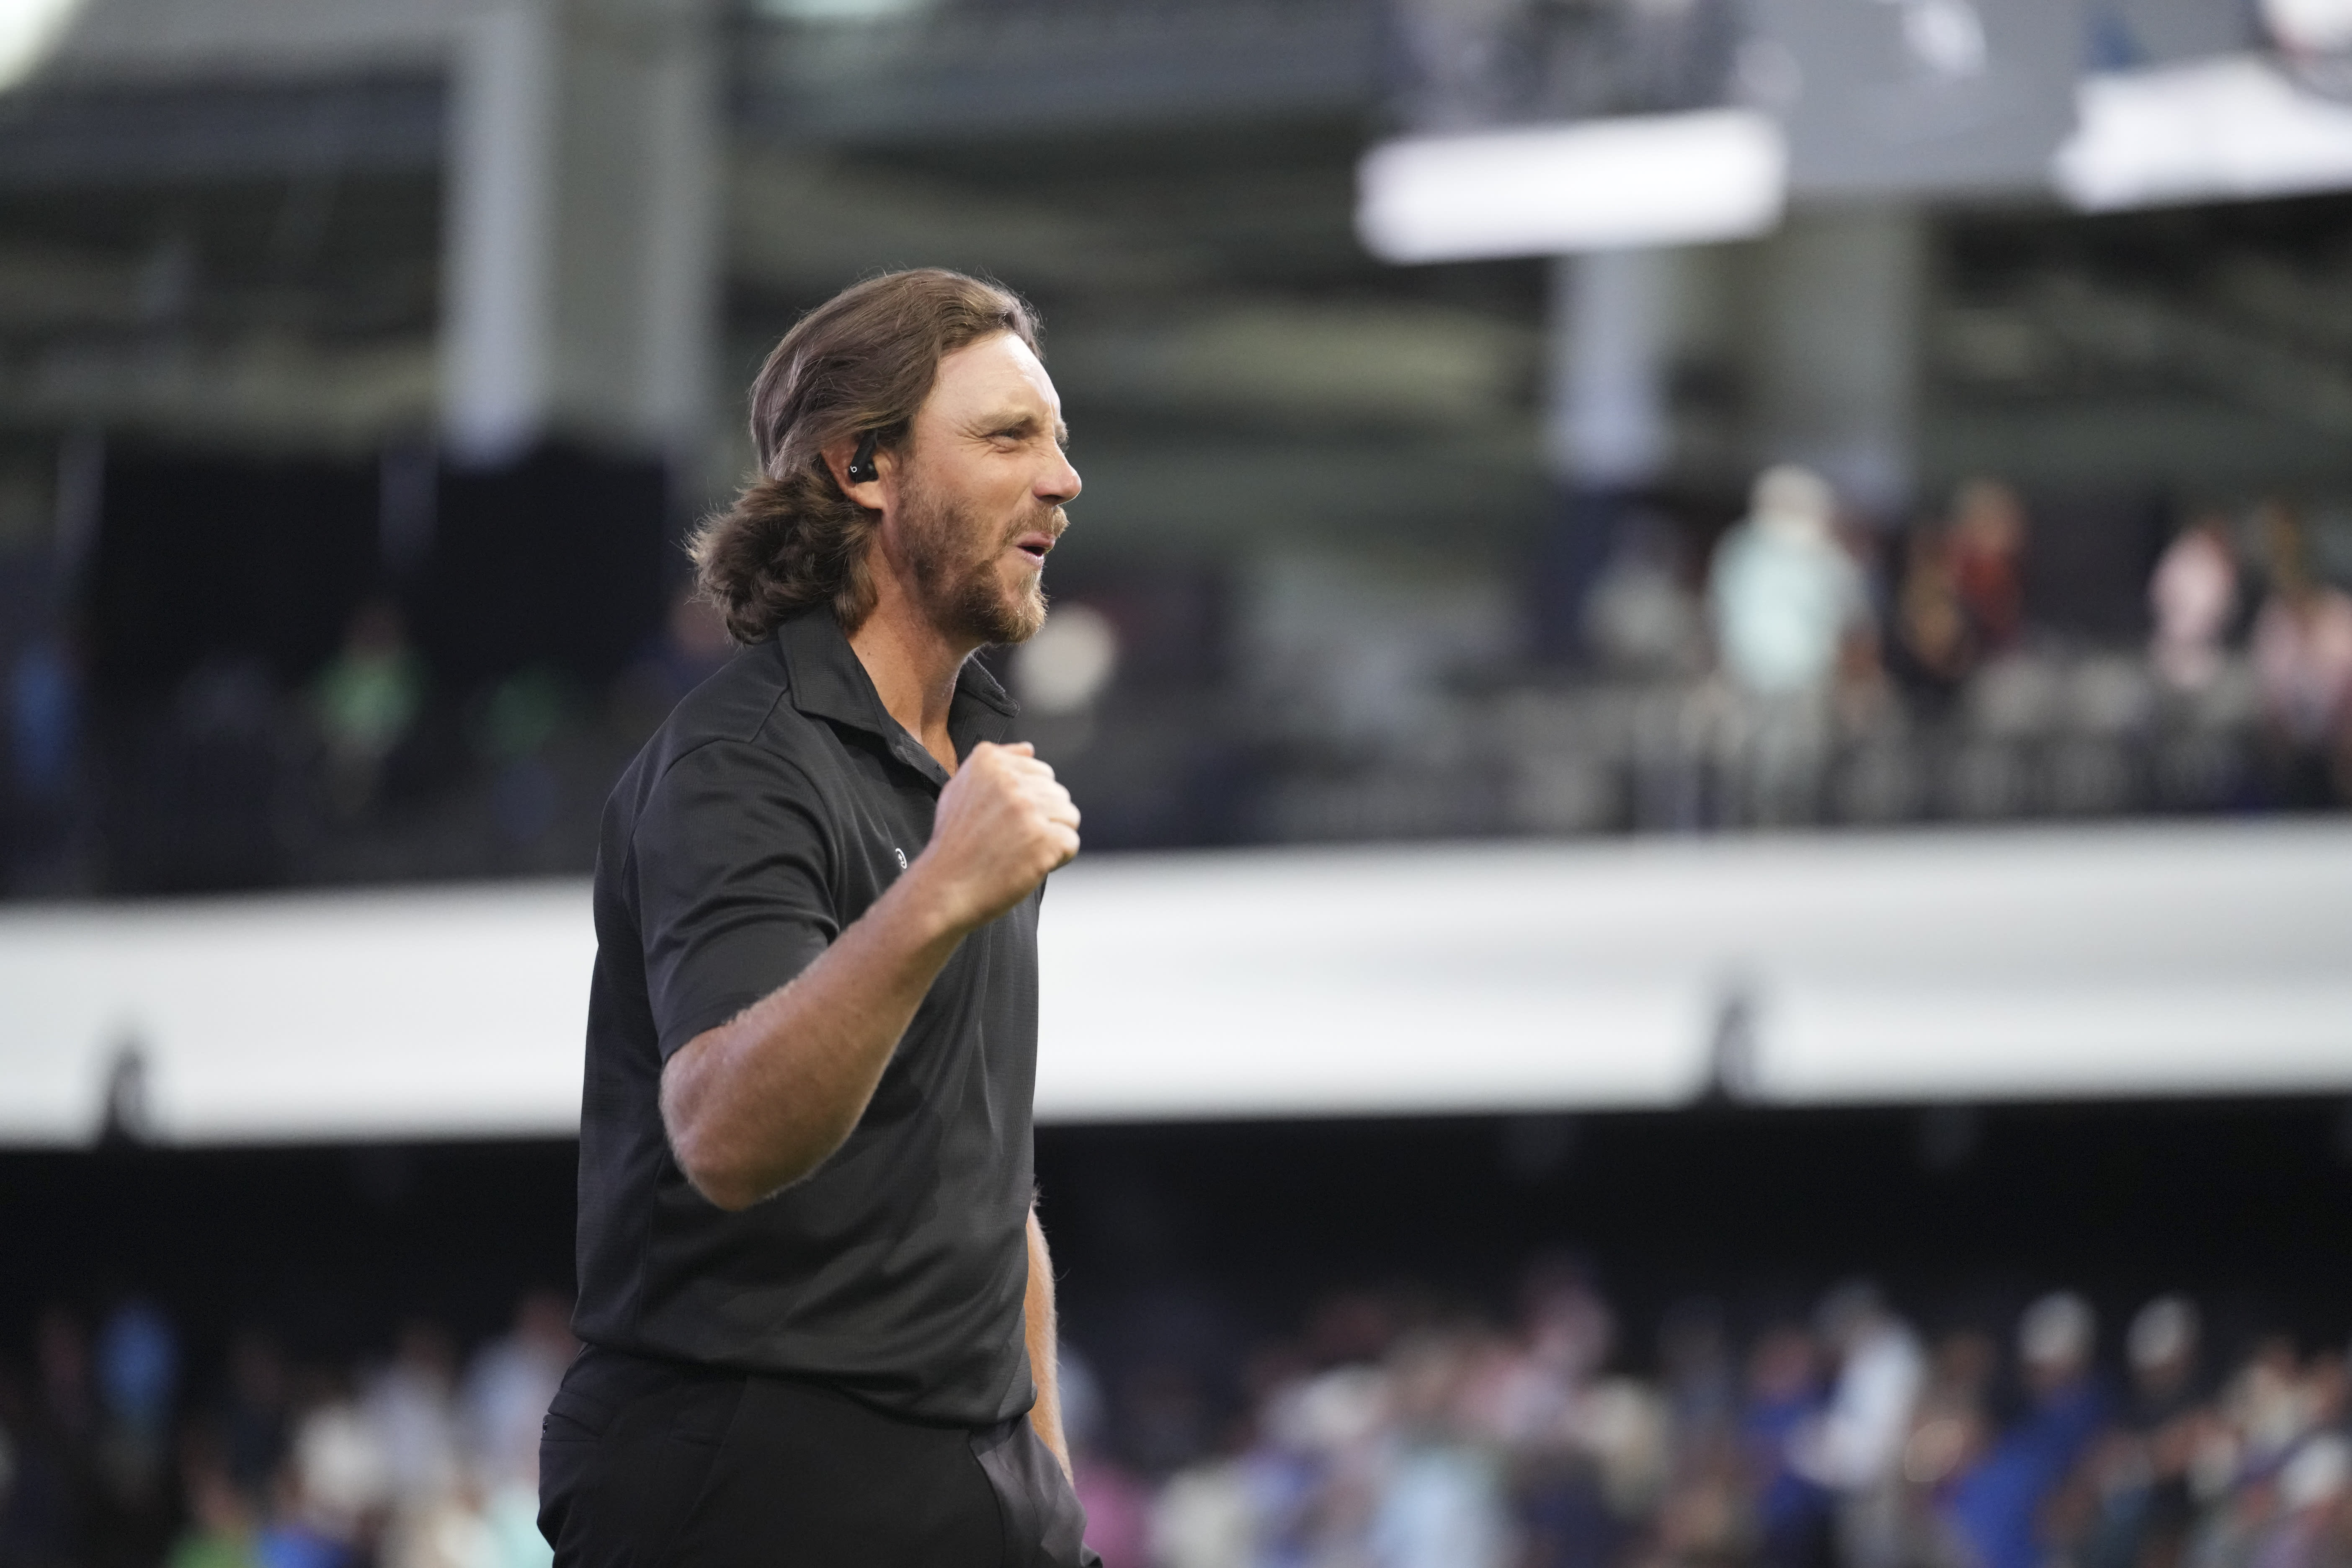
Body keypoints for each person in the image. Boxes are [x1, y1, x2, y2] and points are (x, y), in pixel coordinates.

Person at [539, 269, 1093, 1568]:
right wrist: (938, 889)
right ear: (864, 468)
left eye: (1058, 441)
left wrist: (1048, 1488)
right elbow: (725, 1133)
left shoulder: (974, 756)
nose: (1063, 480)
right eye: (1009, 437)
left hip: (972, 1481)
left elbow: (983, 1185)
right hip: (752, 1483)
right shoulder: (741, 764)